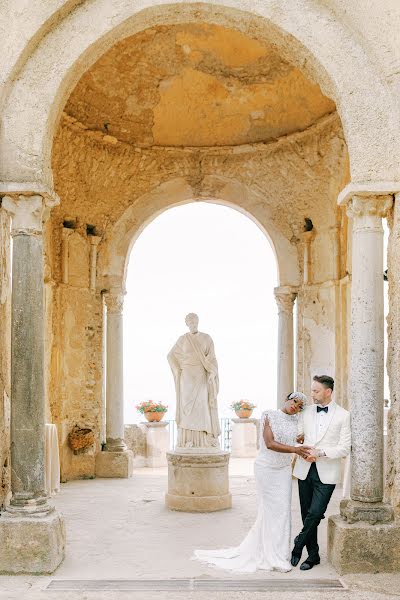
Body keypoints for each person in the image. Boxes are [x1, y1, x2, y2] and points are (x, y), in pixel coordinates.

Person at [192, 392, 310, 573]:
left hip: (284, 471)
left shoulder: (296, 423)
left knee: (283, 511)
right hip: (267, 469)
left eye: (300, 406)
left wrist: (300, 442)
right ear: (287, 399)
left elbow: (293, 439)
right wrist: (295, 449)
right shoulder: (269, 414)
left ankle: (278, 554)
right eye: (295, 401)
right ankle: (270, 555)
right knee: (270, 511)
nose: (296, 406)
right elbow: (270, 443)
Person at [291, 375, 351, 571]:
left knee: (316, 513)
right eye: (312, 390)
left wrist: (320, 453)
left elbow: (345, 448)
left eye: (316, 391)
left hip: (327, 472)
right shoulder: (306, 412)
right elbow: (297, 436)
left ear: (328, 392)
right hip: (304, 469)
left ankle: (298, 544)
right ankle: (313, 555)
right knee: (306, 513)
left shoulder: (343, 415)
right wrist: (301, 445)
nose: (312, 394)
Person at [167, 313, 220, 449]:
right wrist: (178, 370)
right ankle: (187, 440)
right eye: (190, 322)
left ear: (198, 322)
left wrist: (212, 372)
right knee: (187, 408)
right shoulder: (183, 339)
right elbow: (170, 355)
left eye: (194, 321)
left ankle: (203, 441)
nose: (193, 324)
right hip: (186, 377)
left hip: (201, 375)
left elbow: (212, 358)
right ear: (187, 324)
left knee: (201, 406)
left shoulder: (206, 338)